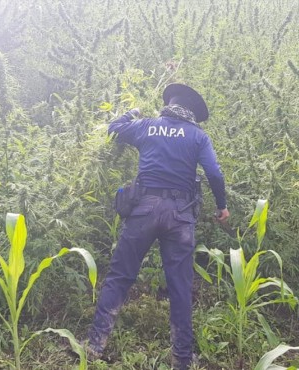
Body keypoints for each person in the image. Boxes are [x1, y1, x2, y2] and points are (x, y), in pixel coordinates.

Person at [87, 83, 229, 370]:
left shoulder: (147, 126)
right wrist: (221, 206)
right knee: (180, 286)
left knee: (119, 276)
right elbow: (214, 172)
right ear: (192, 112)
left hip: (144, 209)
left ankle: (94, 346)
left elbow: (114, 127)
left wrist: (133, 111)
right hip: (181, 215)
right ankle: (181, 360)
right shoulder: (198, 136)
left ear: (169, 103)